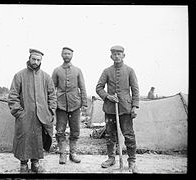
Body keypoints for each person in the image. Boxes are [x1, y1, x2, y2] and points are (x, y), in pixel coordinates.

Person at [8, 48, 57, 173]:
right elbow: (13, 96)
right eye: (33, 59)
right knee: (24, 139)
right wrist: (19, 113)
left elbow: (52, 95)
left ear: (41, 61)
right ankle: (23, 164)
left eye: (38, 60)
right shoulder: (19, 75)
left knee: (38, 139)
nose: (36, 62)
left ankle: (35, 164)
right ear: (29, 59)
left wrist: (51, 111)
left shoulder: (46, 77)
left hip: (41, 116)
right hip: (25, 115)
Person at [96, 45, 140, 173]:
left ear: (123, 55)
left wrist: (135, 106)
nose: (116, 56)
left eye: (119, 54)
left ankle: (132, 161)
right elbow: (99, 88)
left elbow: (135, 90)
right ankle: (111, 158)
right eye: (114, 54)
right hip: (110, 109)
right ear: (111, 56)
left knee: (129, 135)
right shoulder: (106, 71)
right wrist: (108, 96)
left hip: (125, 109)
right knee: (110, 135)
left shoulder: (130, 71)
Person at [52, 47, 88, 164]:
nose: (67, 55)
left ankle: (73, 153)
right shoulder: (57, 70)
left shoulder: (77, 71)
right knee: (60, 130)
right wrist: (53, 104)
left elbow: (82, 87)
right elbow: (52, 89)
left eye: (69, 54)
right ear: (61, 55)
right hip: (61, 105)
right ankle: (62, 154)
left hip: (75, 105)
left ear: (72, 55)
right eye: (65, 54)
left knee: (75, 130)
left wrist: (84, 103)